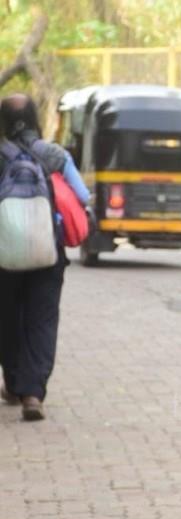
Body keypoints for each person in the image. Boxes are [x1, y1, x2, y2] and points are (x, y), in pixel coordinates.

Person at [0, 93, 89, 421]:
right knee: (42, 320)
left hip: (3, 256)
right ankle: (33, 393)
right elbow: (82, 196)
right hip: (48, 252)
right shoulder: (55, 155)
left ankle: (14, 383)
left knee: (7, 319)